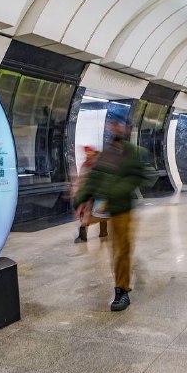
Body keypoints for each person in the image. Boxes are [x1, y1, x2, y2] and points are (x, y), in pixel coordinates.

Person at [75, 116, 146, 311]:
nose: (114, 128)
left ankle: (122, 292)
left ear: (126, 128)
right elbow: (94, 177)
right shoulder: (107, 152)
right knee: (116, 251)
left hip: (123, 209)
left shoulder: (131, 152)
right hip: (109, 209)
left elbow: (138, 176)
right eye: (111, 125)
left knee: (122, 250)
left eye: (117, 125)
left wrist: (115, 190)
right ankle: (121, 285)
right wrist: (82, 197)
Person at [73, 146, 108, 243]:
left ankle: (102, 232)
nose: (88, 153)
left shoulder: (98, 163)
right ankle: (83, 236)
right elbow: (82, 179)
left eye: (89, 151)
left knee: (99, 213)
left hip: (96, 193)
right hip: (89, 193)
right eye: (86, 152)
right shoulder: (86, 164)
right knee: (88, 214)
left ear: (93, 152)